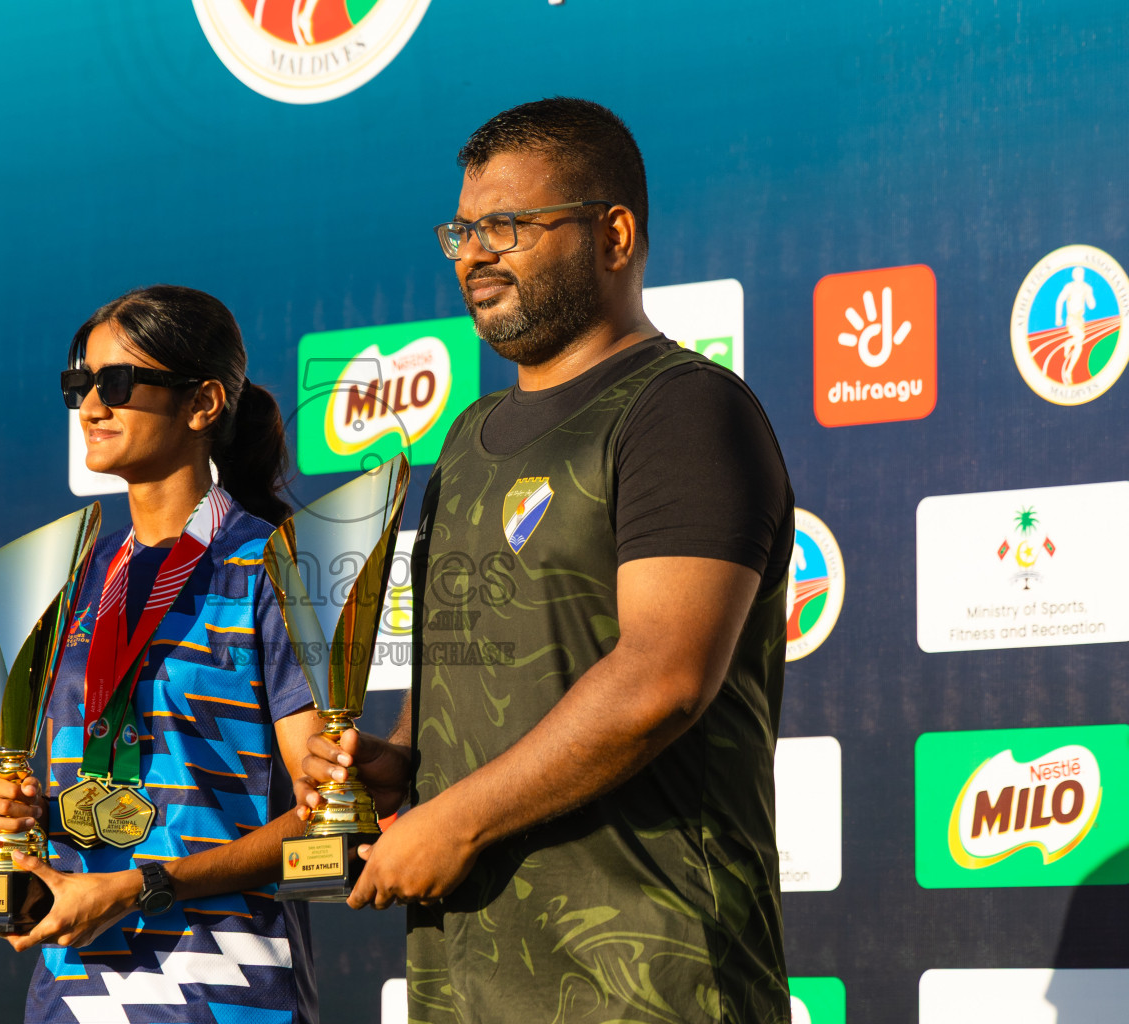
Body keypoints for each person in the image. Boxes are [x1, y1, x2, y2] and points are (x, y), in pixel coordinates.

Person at [297, 98, 796, 1023]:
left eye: (508, 226)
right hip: (470, 975)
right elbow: (466, 667)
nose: (474, 254)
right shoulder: (468, 437)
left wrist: (453, 820)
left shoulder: (683, 411)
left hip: (652, 974)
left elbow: (663, 676)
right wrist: (396, 764)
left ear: (613, 234)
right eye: (462, 230)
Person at [0, 285, 320, 1024]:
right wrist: (18, 831)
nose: (91, 406)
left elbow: (323, 817)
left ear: (203, 404)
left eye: (118, 383)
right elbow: (85, 804)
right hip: (74, 1001)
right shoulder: (71, 580)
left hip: (226, 998)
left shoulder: (272, 566)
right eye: (80, 384)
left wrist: (140, 886)